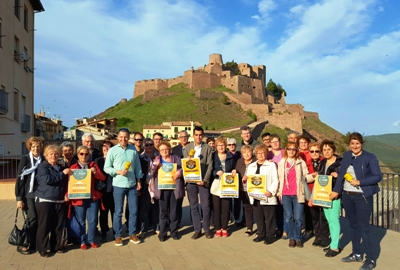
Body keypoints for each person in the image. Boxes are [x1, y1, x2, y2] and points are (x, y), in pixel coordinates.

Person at [330, 132, 382, 270]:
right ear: (349, 144)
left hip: (362, 197)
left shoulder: (369, 157)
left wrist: (360, 181)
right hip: (347, 196)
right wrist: (337, 190)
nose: (355, 146)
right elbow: (341, 175)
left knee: (364, 228)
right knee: (353, 226)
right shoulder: (347, 155)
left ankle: (371, 259)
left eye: (357, 143)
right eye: (352, 143)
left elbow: (378, 176)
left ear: (362, 144)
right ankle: (356, 253)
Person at [104, 128, 143, 247]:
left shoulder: (133, 149)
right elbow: (107, 168)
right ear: (118, 137)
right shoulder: (112, 150)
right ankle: (118, 236)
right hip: (118, 185)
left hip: (132, 184)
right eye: (121, 136)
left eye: (125, 136)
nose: (123, 139)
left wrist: (139, 180)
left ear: (128, 137)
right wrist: (118, 171)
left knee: (133, 211)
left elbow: (137, 166)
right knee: (118, 212)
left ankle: (132, 234)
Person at [35, 144, 72, 257]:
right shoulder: (43, 167)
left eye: (55, 154)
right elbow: (47, 179)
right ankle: (42, 248)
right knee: (44, 225)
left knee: (57, 225)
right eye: (51, 154)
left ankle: (56, 246)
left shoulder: (61, 167)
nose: (53, 156)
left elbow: (67, 183)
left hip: (60, 200)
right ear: (46, 155)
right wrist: (62, 174)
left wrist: (67, 194)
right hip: (45, 200)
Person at [277, 142, 315, 248]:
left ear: (296, 151)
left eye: (294, 149)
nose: (291, 151)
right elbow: (279, 178)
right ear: (286, 150)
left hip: (298, 193)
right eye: (289, 149)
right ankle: (292, 238)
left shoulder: (300, 162)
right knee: (289, 217)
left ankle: (298, 238)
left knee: (298, 217)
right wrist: (278, 192)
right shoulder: (282, 163)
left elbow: (305, 176)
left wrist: (313, 176)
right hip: (285, 193)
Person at [310, 140, 342, 257]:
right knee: (329, 220)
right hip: (324, 196)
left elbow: (346, 178)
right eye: (324, 149)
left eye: (329, 149)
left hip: (334, 195)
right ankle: (333, 242)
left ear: (333, 150)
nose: (327, 151)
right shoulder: (323, 162)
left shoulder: (340, 163)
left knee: (334, 221)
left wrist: (339, 176)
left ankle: (335, 247)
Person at [69, 146, 106, 250]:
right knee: (81, 221)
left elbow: (103, 178)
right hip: (78, 197)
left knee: (93, 220)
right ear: (78, 155)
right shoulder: (73, 167)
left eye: (86, 154)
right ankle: (82, 241)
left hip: (92, 197)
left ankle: (91, 240)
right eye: (81, 154)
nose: (84, 156)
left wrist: (96, 172)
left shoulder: (93, 165)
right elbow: (69, 183)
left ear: (89, 155)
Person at [15, 136, 44, 254]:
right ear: (29, 147)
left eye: (38, 146)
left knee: (39, 219)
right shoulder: (25, 159)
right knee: (31, 218)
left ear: (41, 147)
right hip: (29, 195)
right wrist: (19, 198)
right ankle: (24, 243)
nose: (36, 148)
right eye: (33, 146)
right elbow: (20, 179)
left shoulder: (44, 160)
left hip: (42, 194)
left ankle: (34, 242)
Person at [148, 141, 183, 241]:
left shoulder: (176, 158)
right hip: (162, 189)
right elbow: (150, 173)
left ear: (169, 149)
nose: (164, 151)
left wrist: (179, 173)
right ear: (159, 151)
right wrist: (155, 166)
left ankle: (174, 232)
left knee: (173, 211)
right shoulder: (156, 160)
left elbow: (182, 168)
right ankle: (162, 233)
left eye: (166, 149)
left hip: (174, 188)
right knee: (163, 212)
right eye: (162, 149)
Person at [184, 126, 213, 240]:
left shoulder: (207, 148)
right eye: (196, 135)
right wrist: (187, 160)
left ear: (203, 136)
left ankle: (206, 229)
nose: (198, 137)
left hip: (203, 181)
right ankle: (197, 230)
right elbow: (184, 164)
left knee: (205, 206)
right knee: (193, 206)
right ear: (193, 135)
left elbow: (210, 164)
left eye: (200, 135)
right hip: (191, 181)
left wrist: (205, 180)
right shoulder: (188, 147)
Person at [247, 144, 279, 245]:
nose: (260, 155)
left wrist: (270, 191)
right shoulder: (251, 166)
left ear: (266, 154)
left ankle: (270, 235)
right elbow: (249, 179)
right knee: (259, 216)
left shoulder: (271, 165)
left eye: (262, 153)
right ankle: (261, 234)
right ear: (255, 154)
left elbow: (275, 180)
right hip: (256, 196)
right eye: (258, 153)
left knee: (269, 216)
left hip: (267, 195)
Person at [211, 137, 236, 238]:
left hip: (228, 185)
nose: (221, 147)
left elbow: (234, 167)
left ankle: (224, 228)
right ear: (216, 147)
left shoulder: (230, 156)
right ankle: (217, 228)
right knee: (216, 208)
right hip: (216, 184)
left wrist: (234, 170)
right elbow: (209, 169)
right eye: (219, 145)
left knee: (226, 207)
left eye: (222, 145)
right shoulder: (213, 156)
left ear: (225, 146)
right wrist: (215, 172)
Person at [307, 142, 330, 248]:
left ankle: (325, 237)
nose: (314, 153)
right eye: (312, 151)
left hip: (323, 192)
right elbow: (303, 178)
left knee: (324, 216)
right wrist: (311, 176)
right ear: (309, 152)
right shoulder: (306, 163)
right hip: (311, 192)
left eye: (317, 151)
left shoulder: (325, 162)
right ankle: (318, 236)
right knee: (315, 216)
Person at [233, 145, 256, 236]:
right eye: (244, 153)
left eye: (248, 152)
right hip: (243, 189)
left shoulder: (256, 161)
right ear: (242, 154)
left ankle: (260, 229)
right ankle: (249, 228)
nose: (246, 154)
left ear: (252, 152)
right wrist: (234, 171)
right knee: (247, 208)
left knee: (257, 209)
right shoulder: (239, 161)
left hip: (254, 188)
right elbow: (237, 171)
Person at [94, 140, 115, 242]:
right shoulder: (98, 161)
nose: (107, 149)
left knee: (115, 212)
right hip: (103, 191)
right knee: (103, 213)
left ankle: (116, 232)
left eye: (109, 148)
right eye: (104, 148)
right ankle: (104, 232)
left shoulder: (116, 160)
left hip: (115, 190)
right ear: (101, 150)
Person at [267, 134, 286, 239]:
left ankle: (286, 229)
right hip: (273, 184)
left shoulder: (285, 153)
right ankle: (279, 228)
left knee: (285, 207)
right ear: (270, 143)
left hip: (284, 183)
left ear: (280, 142)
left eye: (277, 141)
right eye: (272, 141)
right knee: (276, 208)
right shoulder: (268, 154)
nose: (275, 143)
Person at [139, 138, 160, 236]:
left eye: (151, 144)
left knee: (156, 207)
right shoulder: (140, 158)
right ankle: (144, 229)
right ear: (144, 146)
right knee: (145, 208)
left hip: (157, 184)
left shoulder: (159, 157)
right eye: (146, 145)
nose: (149, 146)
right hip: (145, 186)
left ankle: (157, 227)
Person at [298, 135, 314, 239]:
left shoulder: (312, 153)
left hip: (310, 183)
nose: (304, 144)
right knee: (301, 207)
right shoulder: (296, 154)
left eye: (305, 142)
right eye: (301, 142)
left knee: (309, 208)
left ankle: (309, 229)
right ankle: (303, 227)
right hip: (299, 184)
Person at [171, 130, 189, 225]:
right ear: (179, 139)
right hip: (178, 177)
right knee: (177, 199)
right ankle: (176, 221)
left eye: (185, 136)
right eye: (181, 137)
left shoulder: (192, 147)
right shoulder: (174, 149)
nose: (184, 138)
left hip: (190, 176)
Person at [226, 137, 242, 226]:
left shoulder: (239, 154)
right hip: (228, 180)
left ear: (236, 145)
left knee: (237, 201)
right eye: (229, 144)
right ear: (227, 146)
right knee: (227, 200)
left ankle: (237, 218)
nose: (231, 146)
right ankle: (228, 217)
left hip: (238, 179)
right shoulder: (225, 154)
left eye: (233, 144)